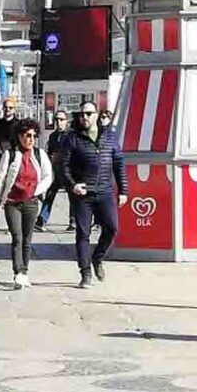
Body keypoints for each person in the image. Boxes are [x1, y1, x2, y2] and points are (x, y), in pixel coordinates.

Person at [66, 107, 125, 287]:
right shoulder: (73, 138)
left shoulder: (109, 137)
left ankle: (97, 258)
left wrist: (123, 190)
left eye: (89, 114)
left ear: (97, 115)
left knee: (112, 228)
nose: (85, 117)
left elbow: (119, 164)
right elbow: (63, 166)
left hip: (105, 191)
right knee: (83, 233)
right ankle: (85, 273)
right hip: (83, 194)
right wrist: (72, 184)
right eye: (82, 114)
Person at [0, 118, 46, 288]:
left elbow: (48, 176)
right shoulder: (10, 155)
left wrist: (37, 190)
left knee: (27, 239)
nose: (31, 139)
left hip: (31, 202)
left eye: (34, 136)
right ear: (19, 136)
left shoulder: (38, 154)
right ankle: (18, 271)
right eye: (27, 135)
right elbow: (0, 179)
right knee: (17, 237)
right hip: (12, 202)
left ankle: (24, 271)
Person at [39, 109, 74, 229]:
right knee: (49, 194)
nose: (59, 122)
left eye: (61, 119)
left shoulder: (71, 135)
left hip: (69, 170)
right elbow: (49, 152)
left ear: (66, 121)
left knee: (72, 196)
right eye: (57, 119)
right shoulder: (53, 136)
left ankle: (73, 221)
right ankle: (42, 220)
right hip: (56, 170)